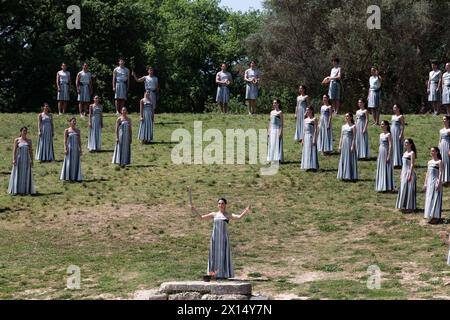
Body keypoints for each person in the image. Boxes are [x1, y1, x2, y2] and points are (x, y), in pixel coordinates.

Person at [190, 198, 251, 279]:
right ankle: (213, 274)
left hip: (223, 239)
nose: (220, 205)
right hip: (215, 238)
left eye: (222, 203)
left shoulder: (227, 215)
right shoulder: (214, 214)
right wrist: (194, 210)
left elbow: (239, 217)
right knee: (214, 256)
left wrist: (246, 210)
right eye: (219, 203)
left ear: (225, 205)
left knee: (223, 255)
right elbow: (201, 218)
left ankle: (223, 274)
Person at [8, 127, 35, 195]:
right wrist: (14, 159)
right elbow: (14, 151)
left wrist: (32, 160)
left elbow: (31, 151)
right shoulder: (17, 140)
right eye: (23, 131)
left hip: (26, 159)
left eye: (26, 131)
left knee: (25, 174)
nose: (25, 132)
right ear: (21, 132)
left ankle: (24, 190)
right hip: (19, 159)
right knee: (18, 174)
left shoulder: (29, 141)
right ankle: (16, 190)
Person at [396, 139, 417, 213]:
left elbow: (412, 164)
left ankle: (410, 207)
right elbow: (403, 165)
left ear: (411, 144)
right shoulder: (404, 153)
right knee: (403, 188)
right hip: (404, 172)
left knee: (409, 189)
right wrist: (401, 173)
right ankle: (403, 205)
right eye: (405, 142)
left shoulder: (412, 153)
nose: (405, 144)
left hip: (409, 172)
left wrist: (410, 174)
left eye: (407, 143)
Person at [423, 147, 443, 224]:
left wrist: (439, 182)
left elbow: (441, 172)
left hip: (436, 182)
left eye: (433, 151)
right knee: (429, 198)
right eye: (431, 151)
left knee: (435, 198)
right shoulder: (429, 162)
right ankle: (430, 215)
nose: (432, 152)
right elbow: (427, 173)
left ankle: (436, 217)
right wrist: (425, 183)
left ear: (437, 152)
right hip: (429, 183)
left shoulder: (439, 162)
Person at [60, 117, 82, 182]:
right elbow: (65, 141)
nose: (74, 122)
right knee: (68, 162)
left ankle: (75, 177)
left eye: (75, 121)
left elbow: (79, 141)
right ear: (70, 122)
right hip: (69, 148)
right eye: (73, 121)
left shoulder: (78, 131)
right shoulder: (67, 130)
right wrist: (65, 149)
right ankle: (67, 177)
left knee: (75, 162)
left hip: (76, 149)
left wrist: (80, 149)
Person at [337, 113, 358, 181]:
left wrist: (352, 145)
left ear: (351, 117)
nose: (346, 117)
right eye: (345, 116)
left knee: (349, 158)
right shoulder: (343, 126)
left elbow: (354, 137)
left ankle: (350, 175)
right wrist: (339, 146)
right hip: (344, 144)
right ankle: (343, 175)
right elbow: (341, 137)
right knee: (343, 158)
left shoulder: (353, 126)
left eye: (348, 116)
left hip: (350, 143)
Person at [375, 121, 394, 192]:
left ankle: (387, 186)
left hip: (386, 152)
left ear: (386, 125)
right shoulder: (380, 134)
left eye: (383, 124)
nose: (381, 125)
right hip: (381, 152)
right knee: (381, 167)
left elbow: (390, 145)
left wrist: (389, 155)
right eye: (381, 124)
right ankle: (381, 185)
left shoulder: (389, 134)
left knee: (386, 168)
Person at [301, 106, 319, 171]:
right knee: (306, 151)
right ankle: (307, 166)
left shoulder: (314, 119)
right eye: (306, 110)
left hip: (311, 136)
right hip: (306, 137)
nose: (307, 112)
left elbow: (315, 129)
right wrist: (303, 139)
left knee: (312, 150)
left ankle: (313, 166)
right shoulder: (305, 120)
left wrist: (314, 138)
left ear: (311, 111)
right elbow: (304, 130)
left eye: (308, 110)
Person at [439, 115, 450, 186]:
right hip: (441, 147)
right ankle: (443, 178)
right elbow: (439, 139)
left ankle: (448, 179)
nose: (443, 120)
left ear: (448, 120)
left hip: (448, 146)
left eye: (445, 119)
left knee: (447, 162)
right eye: (443, 119)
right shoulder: (441, 130)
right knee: (442, 162)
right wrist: (438, 147)